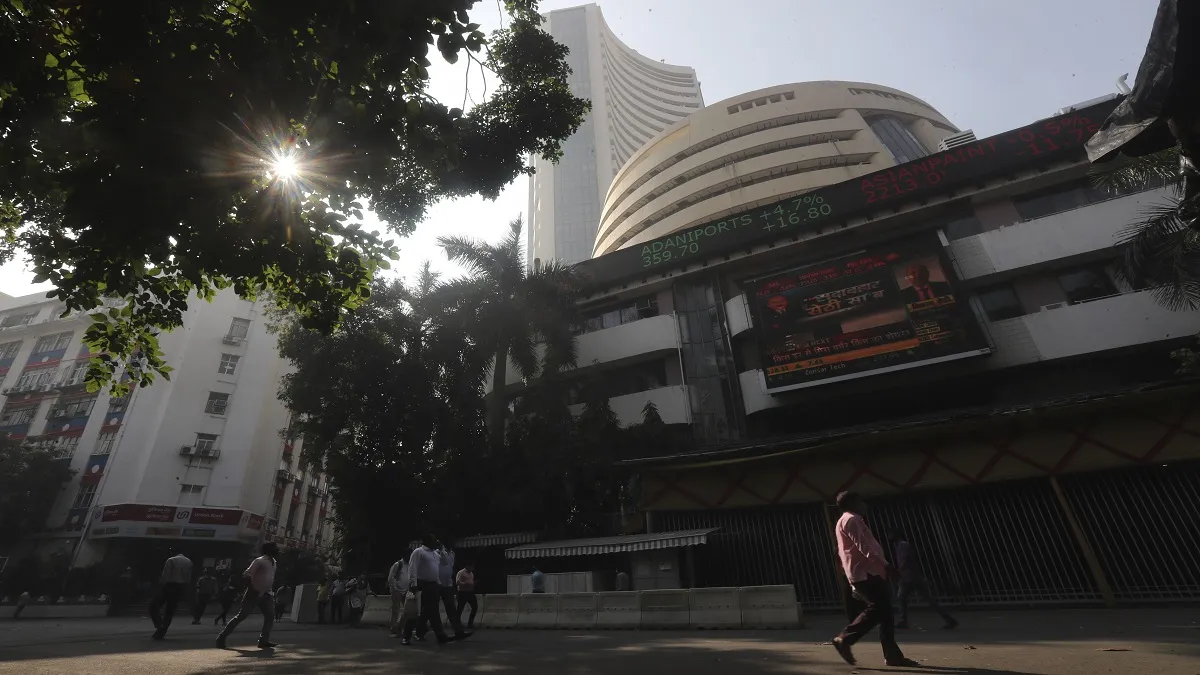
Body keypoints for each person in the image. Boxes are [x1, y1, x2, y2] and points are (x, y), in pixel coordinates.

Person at [830, 492, 919, 668]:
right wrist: (886, 565)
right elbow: (864, 546)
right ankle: (845, 638)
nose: (864, 505)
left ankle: (892, 656)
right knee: (879, 609)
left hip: (864, 572)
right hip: (867, 572)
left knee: (885, 614)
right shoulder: (852, 519)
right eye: (860, 501)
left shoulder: (843, 521)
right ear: (853, 503)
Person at [402, 534, 469, 645]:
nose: (436, 541)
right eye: (433, 540)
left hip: (433, 585)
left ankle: (440, 635)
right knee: (416, 612)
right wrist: (413, 584)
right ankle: (406, 636)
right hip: (421, 584)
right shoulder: (418, 552)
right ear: (427, 541)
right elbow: (412, 568)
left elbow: (445, 562)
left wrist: (441, 548)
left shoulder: (435, 554)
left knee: (433, 612)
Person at [216, 542, 279, 650]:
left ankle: (263, 640)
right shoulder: (259, 561)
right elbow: (246, 575)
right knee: (241, 616)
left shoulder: (274, 562)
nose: (277, 550)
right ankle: (221, 637)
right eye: (275, 548)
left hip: (267, 593)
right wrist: (252, 589)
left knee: (270, 616)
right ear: (269, 549)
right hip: (254, 593)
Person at [891, 531, 957, 630]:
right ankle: (949, 620)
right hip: (909, 577)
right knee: (904, 598)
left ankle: (903, 621)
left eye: (890, 534)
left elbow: (905, 560)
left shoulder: (903, 545)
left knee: (904, 598)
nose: (889, 537)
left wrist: (898, 571)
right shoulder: (899, 546)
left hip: (910, 577)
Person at [149, 549, 193, 640]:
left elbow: (166, 574)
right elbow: (188, 577)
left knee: (153, 606)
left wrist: (161, 585)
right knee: (169, 611)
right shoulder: (189, 562)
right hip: (180, 587)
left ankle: (159, 625)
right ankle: (162, 631)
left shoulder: (171, 560)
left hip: (169, 585)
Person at [436, 545, 467, 636]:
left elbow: (450, 566)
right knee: (431, 609)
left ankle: (459, 631)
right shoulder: (437, 552)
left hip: (447, 584)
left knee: (452, 608)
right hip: (437, 583)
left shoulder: (452, 554)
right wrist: (442, 550)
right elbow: (444, 561)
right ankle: (422, 632)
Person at [388, 553, 411, 636]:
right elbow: (391, 577)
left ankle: (400, 627)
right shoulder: (398, 564)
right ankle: (393, 627)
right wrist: (395, 588)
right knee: (396, 610)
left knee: (408, 610)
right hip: (397, 590)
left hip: (406, 590)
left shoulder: (410, 564)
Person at [455, 562, 478, 629]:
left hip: (470, 592)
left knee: (475, 607)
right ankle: (457, 624)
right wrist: (466, 583)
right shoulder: (461, 572)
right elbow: (457, 582)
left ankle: (470, 623)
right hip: (462, 592)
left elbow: (471, 581)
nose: (472, 568)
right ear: (467, 566)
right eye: (471, 567)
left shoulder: (471, 573)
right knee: (460, 609)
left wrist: (473, 584)